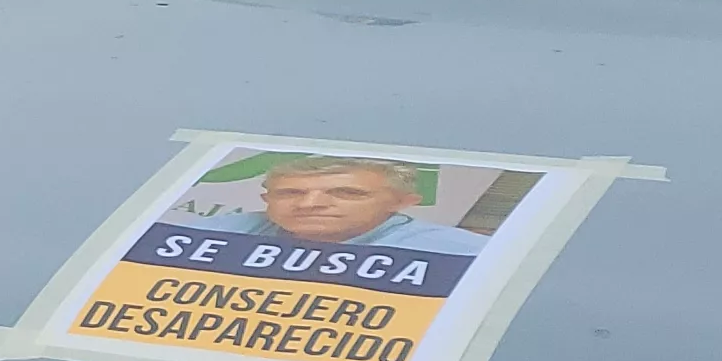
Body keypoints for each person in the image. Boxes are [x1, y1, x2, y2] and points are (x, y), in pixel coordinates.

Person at [171, 157, 486, 257]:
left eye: (345, 192)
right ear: (266, 201)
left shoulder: (464, 255)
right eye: (290, 192)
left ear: (403, 203)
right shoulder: (206, 236)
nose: (309, 205)